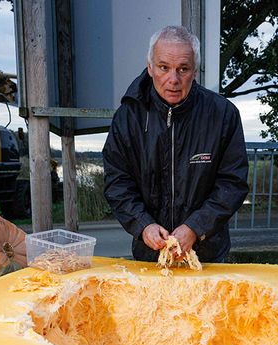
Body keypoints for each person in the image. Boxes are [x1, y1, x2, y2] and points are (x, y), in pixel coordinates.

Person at [103, 25, 249, 263]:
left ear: (195, 71)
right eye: (164, 67)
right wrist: (144, 225)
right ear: (150, 68)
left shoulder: (223, 115)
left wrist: (195, 227)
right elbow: (118, 182)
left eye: (183, 69)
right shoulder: (128, 117)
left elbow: (232, 184)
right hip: (150, 255)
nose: (173, 79)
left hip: (207, 254)